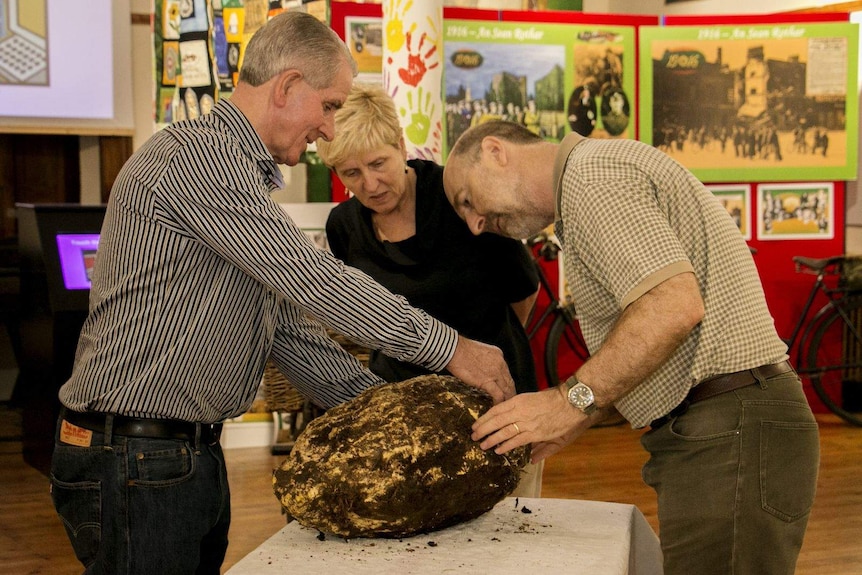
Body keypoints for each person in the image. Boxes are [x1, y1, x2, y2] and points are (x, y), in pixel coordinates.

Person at [50, 12, 515, 575]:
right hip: (134, 456)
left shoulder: (239, 181)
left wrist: (395, 417)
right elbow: (316, 282)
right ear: (289, 86)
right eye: (327, 106)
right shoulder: (197, 161)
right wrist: (452, 349)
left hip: (173, 457)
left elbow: (292, 335)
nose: (328, 128)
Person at [442, 119, 819, 575]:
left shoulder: (591, 176)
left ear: (495, 151)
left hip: (731, 427)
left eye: (467, 200)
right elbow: (658, 339)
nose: (476, 225)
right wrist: (576, 421)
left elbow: (673, 306)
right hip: (725, 427)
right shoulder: (590, 182)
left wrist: (568, 402)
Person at [315, 85, 543, 496]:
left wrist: (493, 344)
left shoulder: (458, 196)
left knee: (508, 535)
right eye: (351, 173)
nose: (370, 184)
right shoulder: (343, 226)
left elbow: (523, 288)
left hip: (495, 402)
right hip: (403, 414)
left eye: (378, 163)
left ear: (401, 146)